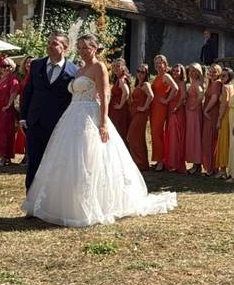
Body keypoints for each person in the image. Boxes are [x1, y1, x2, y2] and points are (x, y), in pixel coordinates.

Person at [21, 34, 177, 226]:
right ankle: (64, 203)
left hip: (90, 116)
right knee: (69, 159)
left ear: (95, 48)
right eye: (79, 48)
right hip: (72, 117)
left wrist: (103, 123)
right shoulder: (79, 70)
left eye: (86, 47)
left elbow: (105, 95)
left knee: (90, 158)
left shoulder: (99, 67)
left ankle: (91, 204)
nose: (82, 51)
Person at [19, 32, 79, 190]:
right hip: (35, 123)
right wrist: (23, 117)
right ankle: (31, 201)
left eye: (54, 43)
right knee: (34, 162)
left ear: (65, 48)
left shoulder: (74, 71)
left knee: (56, 163)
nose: (49, 46)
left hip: (59, 126)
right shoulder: (36, 64)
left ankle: (50, 202)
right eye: (49, 42)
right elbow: (28, 92)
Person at [0, 57, 21, 166]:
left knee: (4, 133)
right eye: (3, 66)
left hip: (5, 109)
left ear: (12, 68)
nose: (5, 68)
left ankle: (3, 157)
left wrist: (8, 105)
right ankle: (4, 157)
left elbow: (14, 93)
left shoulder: (13, 79)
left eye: (8, 66)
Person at [149, 55, 176, 171]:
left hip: (160, 107)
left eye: (161, 63)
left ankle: (161, 161)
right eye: (156, 63)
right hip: (153, 107)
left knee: (157, 133)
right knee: (154, 134)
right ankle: (158, 159)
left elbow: (175, 88)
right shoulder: (156, 77)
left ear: (165, 64)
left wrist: (166, 100)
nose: (158, 65)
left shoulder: (166, 76)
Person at [126, 64, 154, 172]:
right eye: (138, 71)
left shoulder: (146, 84)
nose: (140, 74)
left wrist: (144, 107)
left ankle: (140, 163)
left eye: (143, 72)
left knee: (132, 137)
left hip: (141, 114)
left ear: (146, 74)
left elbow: (151, 96)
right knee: (138, 138)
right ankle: (140, 163)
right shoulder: (138, 84)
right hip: (135, 113)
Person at [163, 64, 187, 173]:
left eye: (177, 71)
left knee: (175, 136)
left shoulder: (182, 83)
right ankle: (169, 161)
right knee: (170, 135)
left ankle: (175, 163)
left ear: (182, 73)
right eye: (173, 71)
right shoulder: (171, 82)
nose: (175, 73)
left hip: (176, 110)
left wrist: (176, 108)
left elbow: (182, 97)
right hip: (170, 109)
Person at [201, 64, 224, 176]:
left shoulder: (216, 83)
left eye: (214, 71)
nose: (211, 73)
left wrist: (206, 110)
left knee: (209, 141)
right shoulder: (211, 83)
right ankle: (212, 167)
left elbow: (214, 98)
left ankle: (212, 168)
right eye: (210, 71)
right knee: (209, 141)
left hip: (211, 114)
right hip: (209, 114)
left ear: (219, 73)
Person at [214, 68, 234, 179]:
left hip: (225, 117)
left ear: (229, 77)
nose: (221, 78)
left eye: (224, 76)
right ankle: (225, 169)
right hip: (230, 116)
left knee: (223, 141)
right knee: (227, 141)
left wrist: (219, 119)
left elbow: (224, 104)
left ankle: (223, 170)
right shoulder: (232, 87)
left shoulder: (225, 87)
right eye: (221, 76)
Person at [184, 63, 205, 174]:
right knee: (192, 137)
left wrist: (194, 105)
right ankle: (195, 164)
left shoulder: (197, 83)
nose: (192, 73)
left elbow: (201, 95)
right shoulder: (193, 83)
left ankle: (196, 165)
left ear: (198, 72)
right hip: (191, 113)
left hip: (194, 114)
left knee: (195, 137)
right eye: (190, 71)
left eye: (194, 71)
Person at [13, 56, 34, 164]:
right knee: (24, 131)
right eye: (27, 63)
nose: (28, 64)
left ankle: (29, 156)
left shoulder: (35, 77)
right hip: (23, 105)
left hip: (31, 106)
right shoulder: (25, 76)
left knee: (30, 131)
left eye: (31, 63)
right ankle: (26, 155)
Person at [109, 58, 132, 141]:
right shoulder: (119, 78)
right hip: (118, 110)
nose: (115, 68)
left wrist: (120, 105)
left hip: (119, 111)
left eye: (118, 66)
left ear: (123, 67)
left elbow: (126, 92)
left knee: (118, 132)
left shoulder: (122, 79)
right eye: (114, 66)